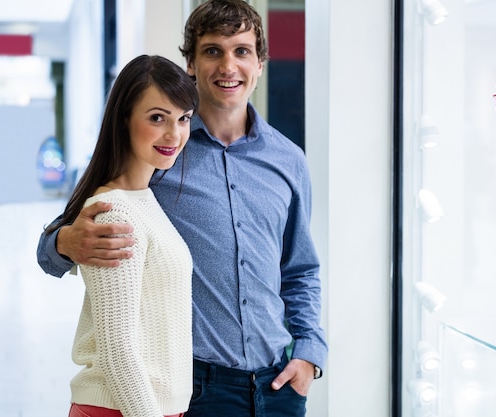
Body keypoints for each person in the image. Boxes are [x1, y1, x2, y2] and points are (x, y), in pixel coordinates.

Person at [37, 1, 328, 416]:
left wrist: (309, 353)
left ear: (260, 63)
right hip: (193, 390)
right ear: (190, 63)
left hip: (279, 384)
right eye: (213, 51)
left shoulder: (289, 161)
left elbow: (300, 271)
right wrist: (65, 241)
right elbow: (62, 238)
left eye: (242, 51)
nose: (228, 66)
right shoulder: (160, 150)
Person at [42, 54, 198, 417]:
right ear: (124, 118)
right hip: (123, 409)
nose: (174, 134)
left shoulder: (143, 199)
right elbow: (118, 352)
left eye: (183, 119)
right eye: (157, 118)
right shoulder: (115, 211)